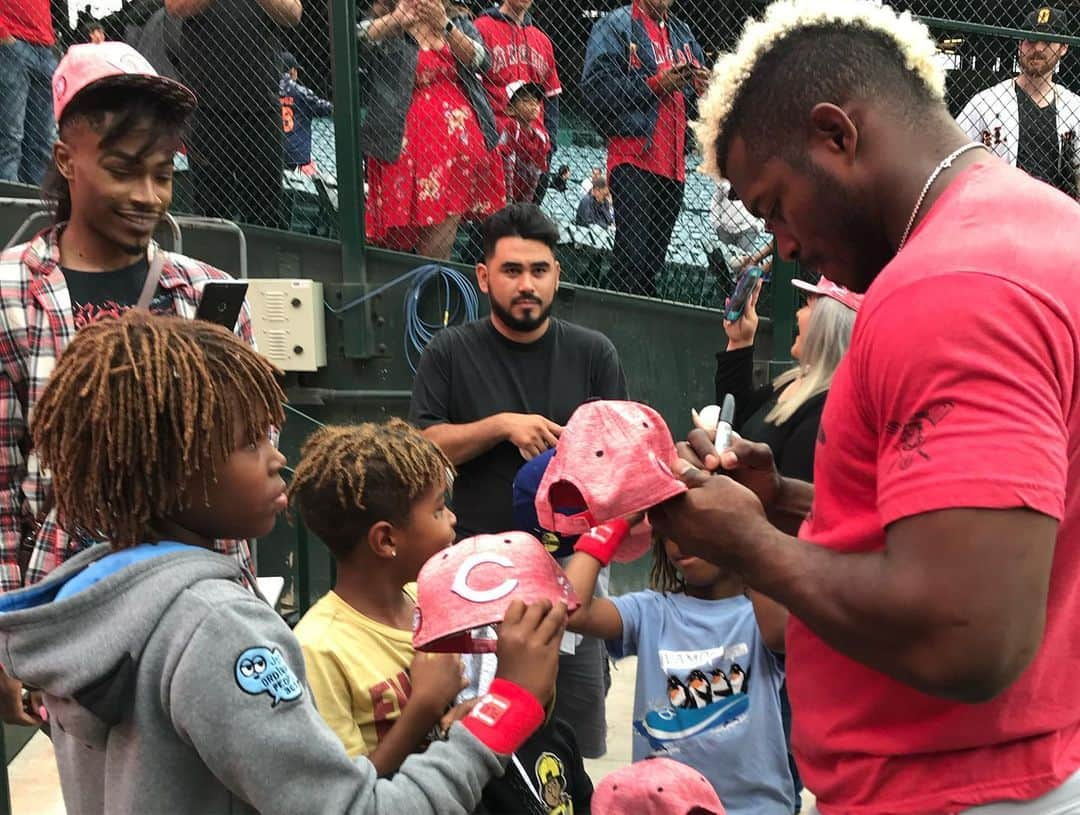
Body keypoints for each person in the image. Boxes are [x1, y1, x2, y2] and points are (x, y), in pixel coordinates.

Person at [658, 0, 1080, 811]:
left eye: (774, 205)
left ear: (835, 135)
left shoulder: (952, 284)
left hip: (953, 789)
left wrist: (747, 545)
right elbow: (982, 524)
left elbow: (969, 631)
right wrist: (783, 503)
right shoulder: (1036, 225)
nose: (780, 244)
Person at [0, 311, 568, 815]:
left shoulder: (102, 595)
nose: (277, 459)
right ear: (177, 468)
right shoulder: (216, 629)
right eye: (250, 442)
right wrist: (507, 706)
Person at [0, 42, 260, 723]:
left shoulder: (205, 292)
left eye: (161, 174)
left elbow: (247, 455)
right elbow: (2, 480)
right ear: (66, 160)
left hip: (196, 607)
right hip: (71, 614)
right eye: (121, 170)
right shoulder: (8, 292)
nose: (146, 196)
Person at [409, 203, 627, 758]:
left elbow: (622, 462)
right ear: (483, 277)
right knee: (480, 742)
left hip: (569, 582)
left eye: (538, 270)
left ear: (557, 273)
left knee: (570, 744)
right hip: (474, 583)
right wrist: (503, 426)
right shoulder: (450, 352)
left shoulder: (593, 353)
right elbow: (420, 449)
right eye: (511, 271)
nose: (526, 284)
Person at [562, 518, 795, 813]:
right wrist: (616, 525)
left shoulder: (763, 617)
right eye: (671, 532)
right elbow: (571, 610)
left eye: (700, 526)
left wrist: (747, 526)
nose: (681, 541)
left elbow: (782, 629)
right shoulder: (649, 611)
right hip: (661, 807)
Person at [290, 421, 466, 769]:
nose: (452, 518)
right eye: (438, 510)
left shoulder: (430, 599)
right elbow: (345, 796)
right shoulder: (319, 650)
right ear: (386, 540)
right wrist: (425, 706)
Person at [360, 0, 504, 260]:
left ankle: (435, 291)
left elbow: (483, 61)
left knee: (435, 251)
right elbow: (352, 45)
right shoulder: (388, 21)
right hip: (400, 147)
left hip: (457, 152)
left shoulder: (457, 22)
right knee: (389, 248)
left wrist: (445, 26)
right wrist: (394, 21)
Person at [581, 0, 706, 297]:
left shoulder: (682, 32)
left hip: (674, 164)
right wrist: (655, 84)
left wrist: (704, 85)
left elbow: (694, 89)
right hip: (634, 156)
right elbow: (596, 89)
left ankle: (633, 330)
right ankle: (617, 330)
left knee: (651, 263)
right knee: (632, 259)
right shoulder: (614, 25)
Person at [166, 0, 302, 230]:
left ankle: (263, 264)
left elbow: (293, 13)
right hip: (208, 107)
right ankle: (211, 265)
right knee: (210, 211)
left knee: (266, 210)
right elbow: (176, 7)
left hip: (261, 106)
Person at [715, 276, 860, 482]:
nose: (798, 313)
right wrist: (740, 341)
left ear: (829, 325)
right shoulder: (795, 381)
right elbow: (736, 423)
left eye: (808, 306)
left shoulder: (829, 409)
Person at [959, 6, 1080, 198]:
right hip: (998, 211)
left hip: (1053, 217)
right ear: (1020, 44)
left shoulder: (1075, 108)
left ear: (1063, 47)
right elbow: (953, 161)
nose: (1038, 48)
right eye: (1030, 40)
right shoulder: (985, 102)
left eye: (1048, 41)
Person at [473, 0, 561, 171]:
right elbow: (474, 91)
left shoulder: (542, 41)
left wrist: (550, 147)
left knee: (530, 198)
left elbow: (552, 98)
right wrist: (486, 139)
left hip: (534, 151)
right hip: (496, 146)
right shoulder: (481, 28)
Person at [0, 0, 56, 185]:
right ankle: (9, 207)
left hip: (44, 45)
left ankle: (37, 206)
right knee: (10, 138)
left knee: (43, 141)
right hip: (12, 43)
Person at [279, 51, 334, 173]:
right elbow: (325, 108)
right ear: (293, 71)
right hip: (297, 158)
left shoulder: (267, 89)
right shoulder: (300, 92)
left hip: (273, 152)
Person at [498, 81, 549, 203]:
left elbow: (536, 173)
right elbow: (504, 164)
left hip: (523, 187)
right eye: (526, 100)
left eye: (536, 101)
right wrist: (508, 201)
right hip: (501, 190)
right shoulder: (510, 127)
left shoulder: (541, 136)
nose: (533, 104)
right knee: (510, 156)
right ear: (510, 109)